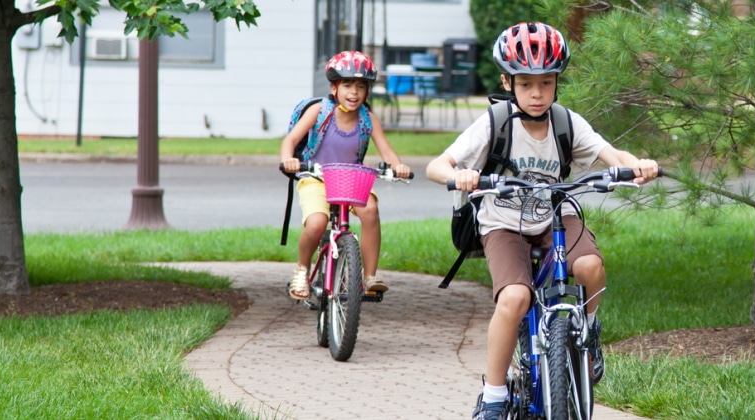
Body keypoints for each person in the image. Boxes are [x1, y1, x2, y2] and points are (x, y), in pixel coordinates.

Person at [424, 22, 659, 420]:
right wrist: (458, 175)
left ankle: (588, 329)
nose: (537, 94)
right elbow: (437, 164)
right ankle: (495, 395)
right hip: (503, 220)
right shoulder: (494, 123)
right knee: (515, 298)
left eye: (546, 83)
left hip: (556, 212)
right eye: (526, 84)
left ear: (556, 83)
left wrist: (638, 164)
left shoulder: (566, 123)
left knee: (590, 267)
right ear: (507, 81)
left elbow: (611, 154)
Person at [280, 50, 411, 300]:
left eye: (361, 86)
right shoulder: (319, 112)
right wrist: (289, 159)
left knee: (370, 211)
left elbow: (387, 152)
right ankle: (302, 268)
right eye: (348, 85)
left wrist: (398, 167)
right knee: (317, 223)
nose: (354, 92)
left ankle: (370, 276)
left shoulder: (367, 119)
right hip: (316, 178)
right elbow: (292, 139)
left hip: (351, 180)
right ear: (334, 87)